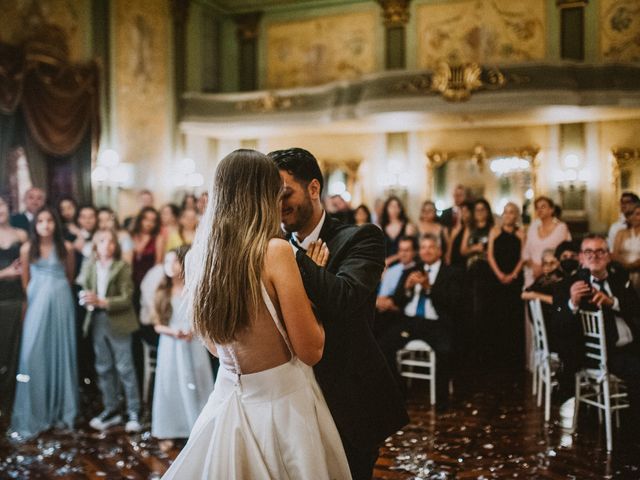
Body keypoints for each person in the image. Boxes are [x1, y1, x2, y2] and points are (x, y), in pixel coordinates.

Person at [163, 149, 352, 479]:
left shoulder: (198, 258)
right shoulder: (275, 252)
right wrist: (313, 289)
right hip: (283, 409)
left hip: (224, 404)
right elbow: (311, 351)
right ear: (265, 194)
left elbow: (213, 345)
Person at [269, 147, 408, 479]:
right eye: (271, 196)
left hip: (349, 396)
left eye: (285, 192)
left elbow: (345, 297)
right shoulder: (273, 245)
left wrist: (289, 256)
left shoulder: (361, 237)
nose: (278, 203)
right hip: (291, 397)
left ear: (314, 188)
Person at [553, 235, 640, 429]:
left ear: (608, 256)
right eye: (588, 252)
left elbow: (636, 307)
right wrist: (572, 303)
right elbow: (559, 327)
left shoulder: (619, 279)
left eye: (600, 251)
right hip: (602, 354)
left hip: (632, 346)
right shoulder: (568, 285)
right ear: (581, 258)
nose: (595, 256)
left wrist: (613, 302)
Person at [10, 207, 77, 439]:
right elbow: (25, 282)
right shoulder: (28, 248)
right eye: (41, 221)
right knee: (32, 355)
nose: (46, 225)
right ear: (35, 225)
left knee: (61, 354)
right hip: (36, 303)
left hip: (61, 304)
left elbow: (69, 277)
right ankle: (35, 413)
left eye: (50, 220)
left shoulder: (66, 248)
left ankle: (61, 412)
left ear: (55, 224)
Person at [382, 234, 463, 407]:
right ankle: (400, 390)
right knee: (383, 345)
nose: (426, 250)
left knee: (445, 350)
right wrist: (406, 288)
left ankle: (442, 400)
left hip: (436, 324)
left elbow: (453, 304)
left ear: (439, 251)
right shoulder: (413, 269)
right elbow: (397, 300)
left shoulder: (451, 273)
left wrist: (429, 288)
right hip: (410, 321)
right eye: (423, 247)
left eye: (431, 247)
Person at [77, 229, 142, 433]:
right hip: (96, 320)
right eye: (103, 241)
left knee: (125, 368)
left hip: (118, 321)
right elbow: (82, 287)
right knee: (103, 368)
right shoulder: (89, 265)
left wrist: (103, 302)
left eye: (112, 241)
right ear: (96, 245)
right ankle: (111, 409)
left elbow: (126, 297)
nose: (108, 245)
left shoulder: (122, 266)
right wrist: (85, 298)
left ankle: (134, 411)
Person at [151, 246, 214, 452]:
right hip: (171, 346)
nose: (171, 266)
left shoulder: (195, 288)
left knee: (198, 382)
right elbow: (157, 325)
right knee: (170, 386)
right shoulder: (162, 292)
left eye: (175, 261)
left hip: (193, 342)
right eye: (167, 262)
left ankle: (197, 428)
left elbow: (204, 318)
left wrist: (192, 331)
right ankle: (168, 430)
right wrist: (174, 332)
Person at [487, 202, 526, 367]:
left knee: (513, 317)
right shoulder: (494, 232)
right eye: (506, 212)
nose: (509, 215)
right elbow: (490, 256)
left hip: (515, 279)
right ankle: (497, 357)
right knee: (497, 316)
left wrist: (513, 275)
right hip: (497, 279)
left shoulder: (521, 234)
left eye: (512, 212)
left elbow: (524, 256)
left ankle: (514, 358)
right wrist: (500, 275)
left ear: (517, 216)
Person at [0, 197, 27, 415]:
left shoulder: (22, 235)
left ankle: (12, 401)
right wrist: (4, 273)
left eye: (0, 205)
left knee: (15, 351)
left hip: (18, 298)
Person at [522, 196, 571, 288]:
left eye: (543, 207)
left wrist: (545, 268)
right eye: (537, 208)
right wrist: (534, 267)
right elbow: (526, 253)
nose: (539, 210)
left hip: (553, 275)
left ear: (551, 209)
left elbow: (566, 252)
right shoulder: (533, 228)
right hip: (532, 273)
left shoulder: (561, 227)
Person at [374, 236, 417, 339]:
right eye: (401, 250)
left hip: (401, 314)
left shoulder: (417, 270)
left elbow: (405, 300)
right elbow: (382, 296)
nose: (403, 254)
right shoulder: (392, 270)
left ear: (414, 252)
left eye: (407, 250)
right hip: (383, 310)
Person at [380, 195, 417, 267]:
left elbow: (409, 250)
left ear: (400, 209)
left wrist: (389, 260)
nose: (394, 209)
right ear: (386, 208)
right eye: (391, 206)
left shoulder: (408, 227)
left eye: (397, 206)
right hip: (383, 265)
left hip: (403, 263)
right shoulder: (380, 227)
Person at [612, 202, 640, 296]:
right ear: (630, 216)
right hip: (622, 271)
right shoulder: (621, 233)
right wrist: (626, 265)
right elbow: (615, 254)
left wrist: (635, 265)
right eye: (636, 214)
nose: (638, 217)